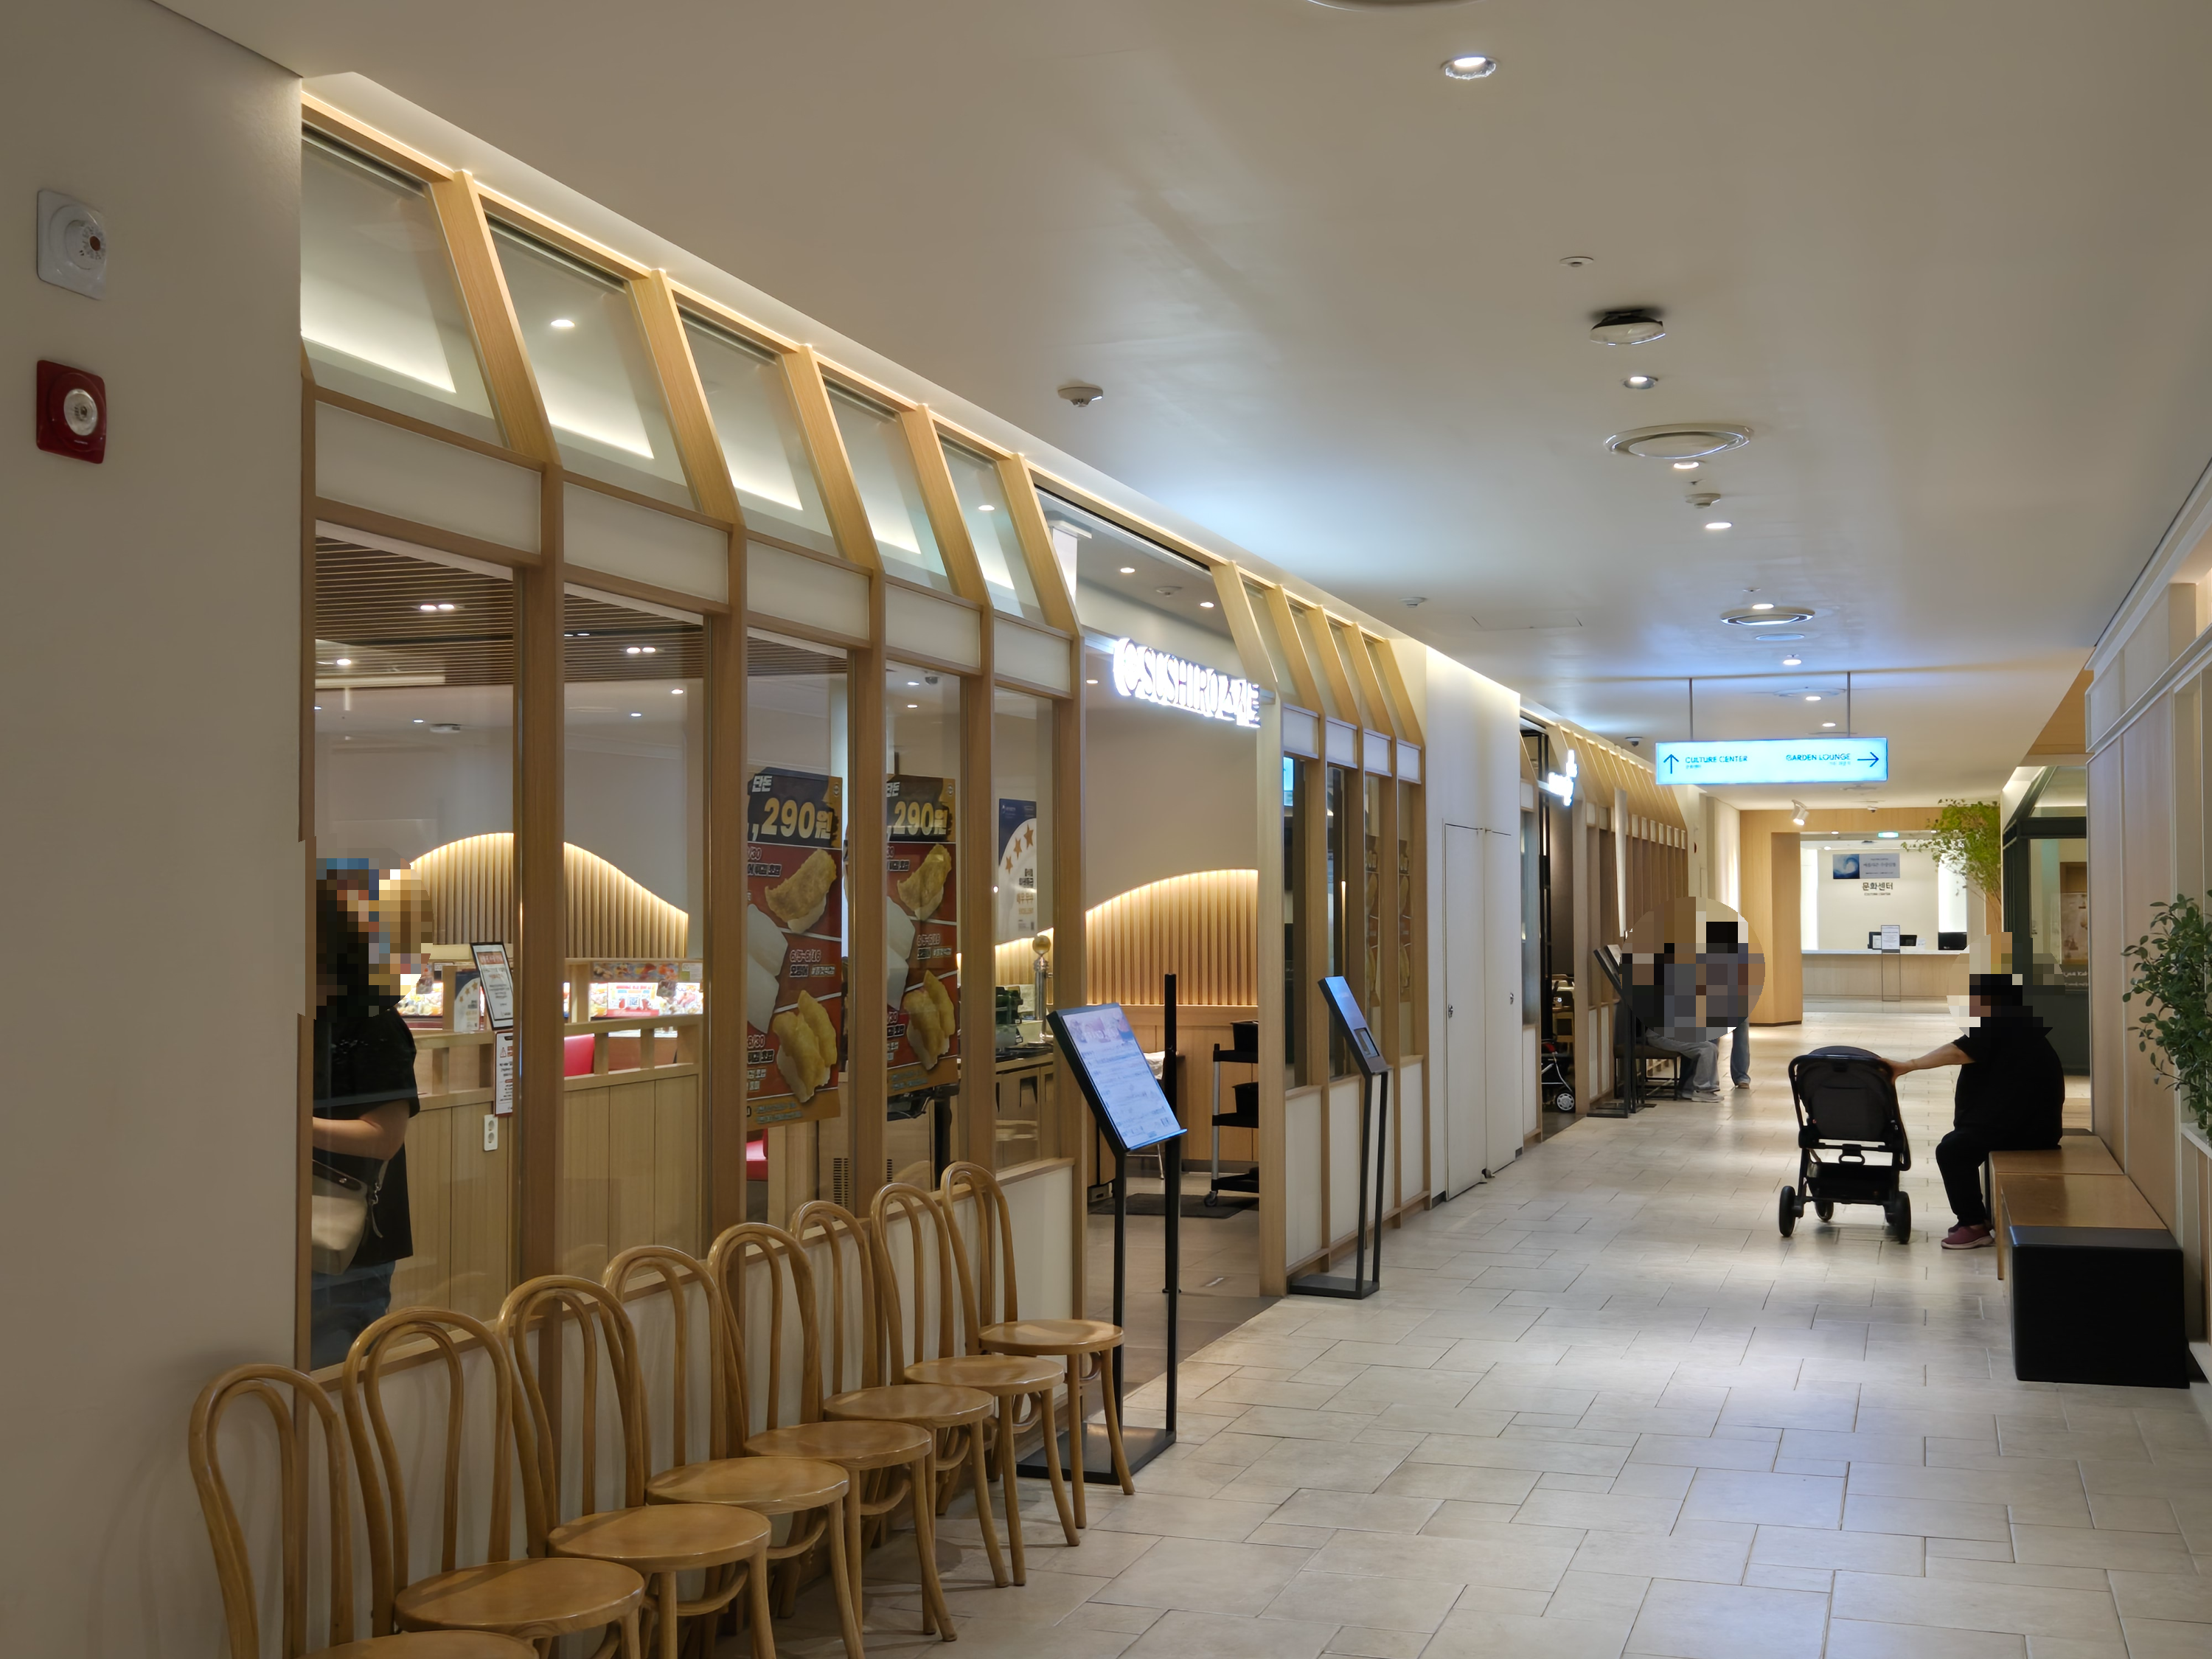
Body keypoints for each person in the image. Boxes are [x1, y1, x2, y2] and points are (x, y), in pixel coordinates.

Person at [310, 862, 426, 1368]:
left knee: (334, 1381)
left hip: (348, 1236)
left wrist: (288, 1127)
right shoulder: (295, 1015)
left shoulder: (373, 1022)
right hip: (288, 1227)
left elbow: (383, 1137)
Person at [1881, 974, 2064, 1250]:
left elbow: (1958, 1052)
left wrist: (1909, 1065)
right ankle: (1976, 1218)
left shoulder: (2000, 1022)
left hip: (2025, 1128)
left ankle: (1974, 1226)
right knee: (1958, 1145)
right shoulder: (2018, 1021)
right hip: (2028, 1122)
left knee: (1952, 1152)